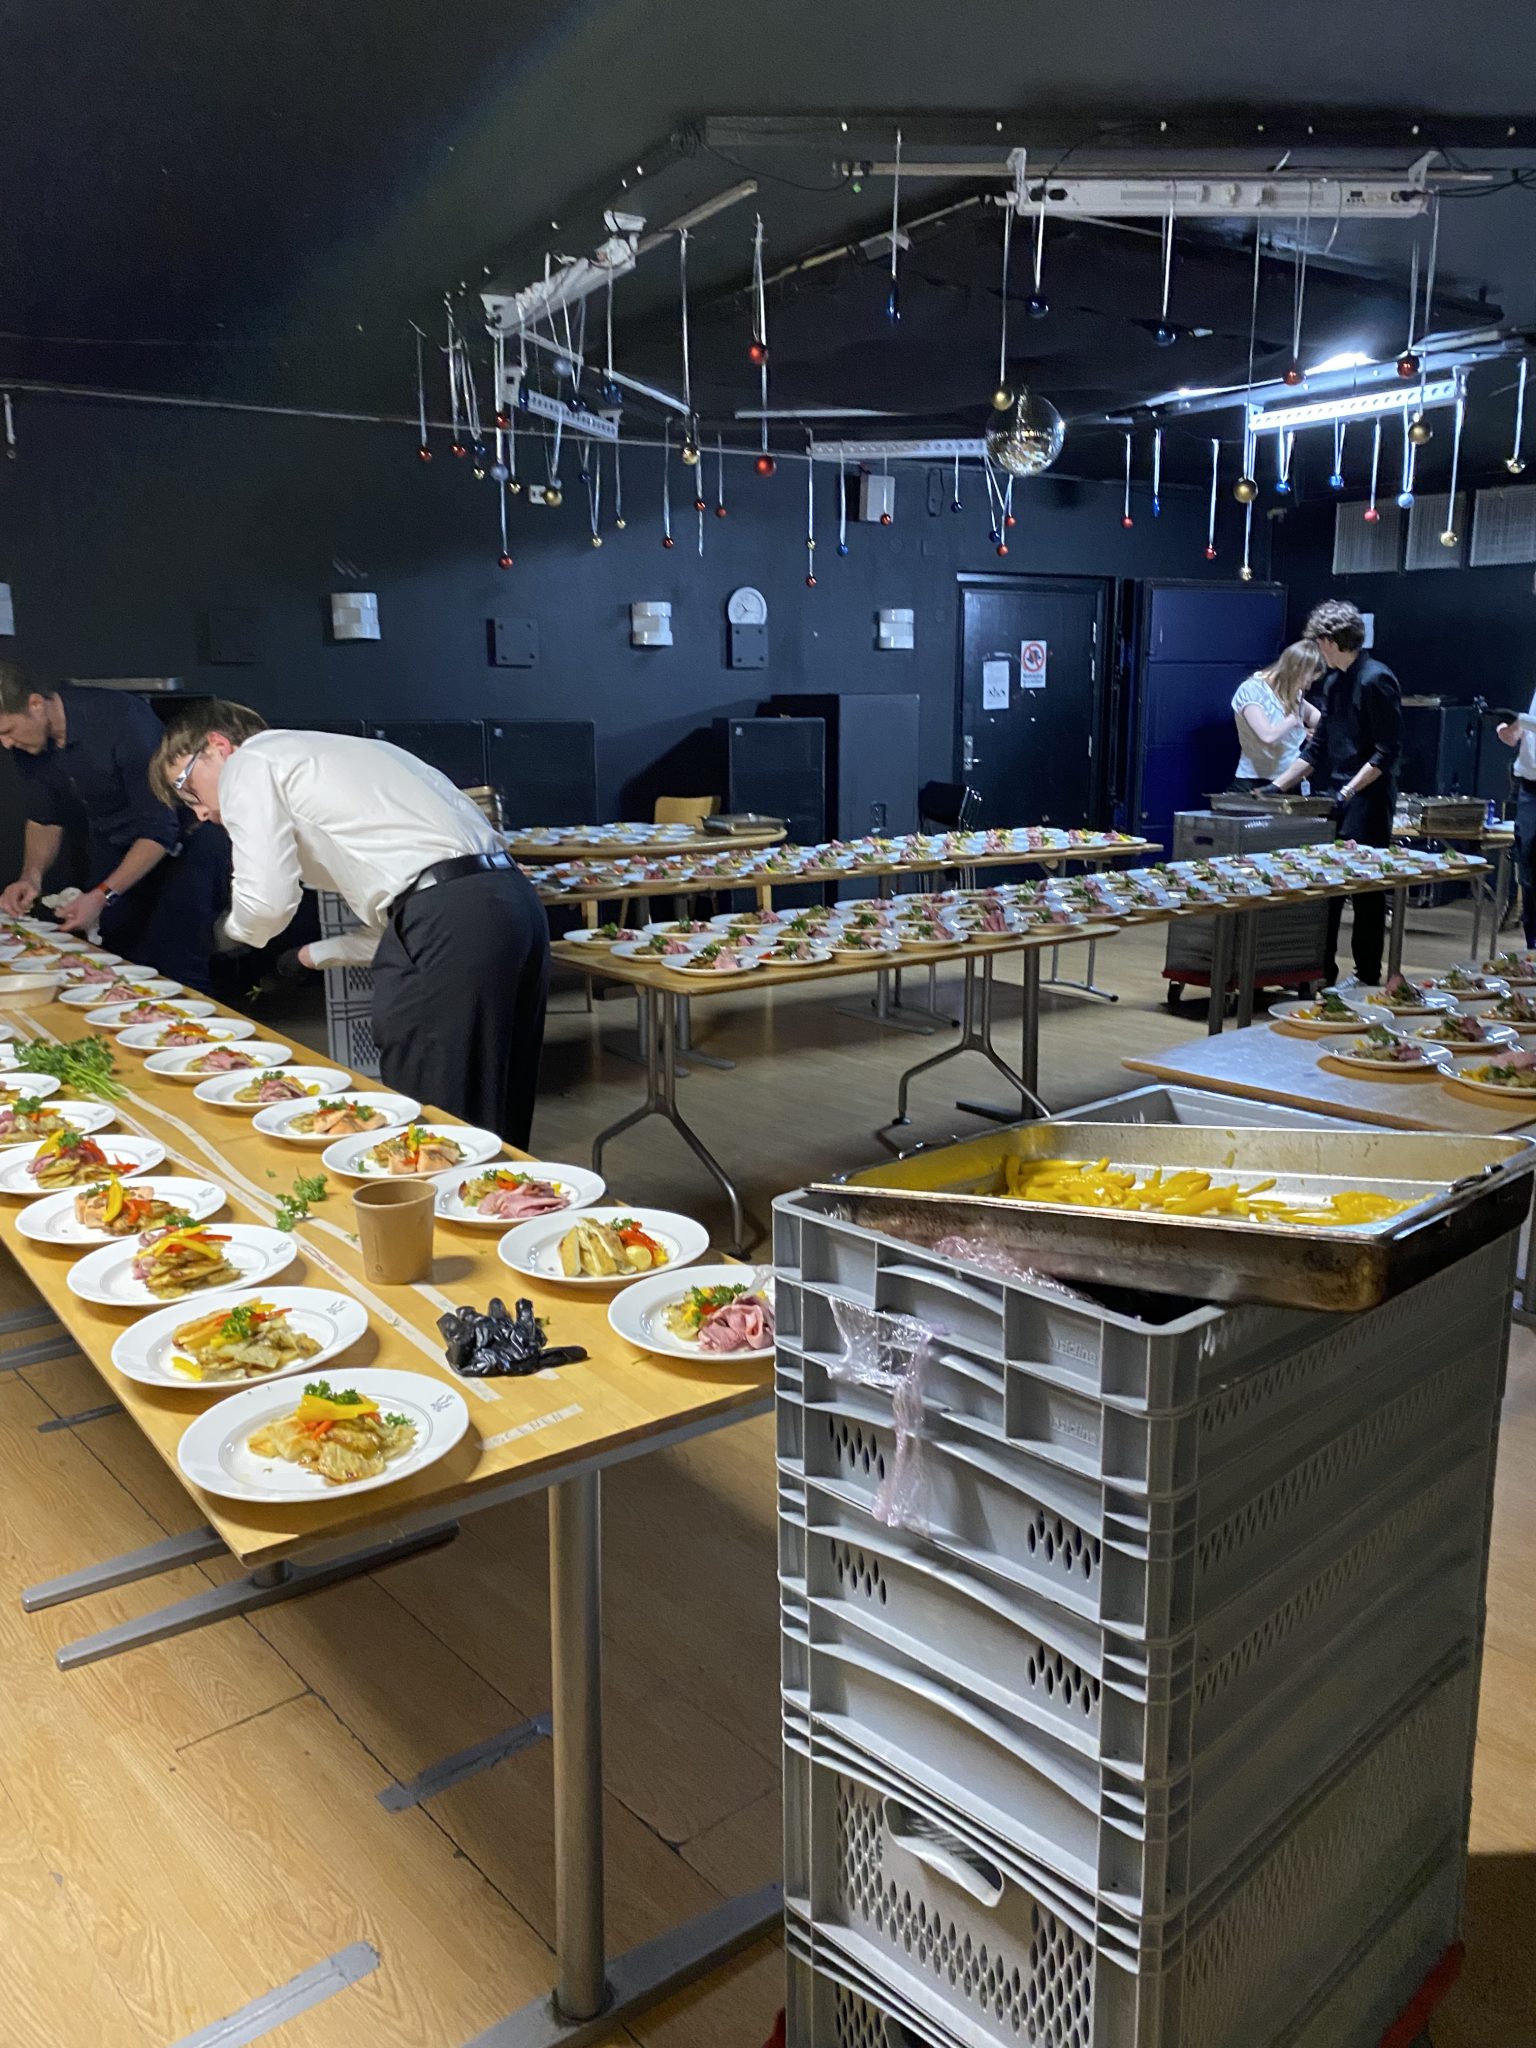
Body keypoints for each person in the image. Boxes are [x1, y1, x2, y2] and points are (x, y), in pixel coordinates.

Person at [149, 702, 549, 1145]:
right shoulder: (344, 756)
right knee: (497, 1108)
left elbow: (266, 905)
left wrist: (223, 937)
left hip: (450, 915)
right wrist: (309, 956)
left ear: (218, 746)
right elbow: (406, 921)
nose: (199, 812)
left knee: (435, 1120)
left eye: (187, 788)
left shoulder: (250, 762)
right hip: (511, 904)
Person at [0, 663, 229, 990]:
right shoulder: (29, 744)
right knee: (114, 952)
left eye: (7, 730)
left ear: (36, 704)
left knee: (176, 959)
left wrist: (102, 895)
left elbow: (159, 828)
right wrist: (30, 876)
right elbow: (46, 815)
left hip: (184, 842)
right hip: (116, 841)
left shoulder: (121, 721)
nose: (6, 743)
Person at [1263, 598, 1402, 987]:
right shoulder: (1335, 682)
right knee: (1327, 888)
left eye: (1318, 642)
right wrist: (1276, 787)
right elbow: (1317, 748)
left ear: (1329, 640)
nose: (1317, 649)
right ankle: (1319, 972)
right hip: (1339, 793)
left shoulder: (1376, 679)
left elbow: (1387, 752)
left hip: (1369, 799)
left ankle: (1367, 974)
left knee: (1366, 891)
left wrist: (1349, 791)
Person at [1230, 640, 1325, 788]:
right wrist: (1294, 719)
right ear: (1296, 671)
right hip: (1254, 781)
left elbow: (1317, 718)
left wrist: (1315, 732)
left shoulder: (1292, 693)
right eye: (1307, 681)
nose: (1308, 687)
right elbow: (1268, 736)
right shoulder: (1252, 690)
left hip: (1287, 781)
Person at [1494, 694, 1536, 947]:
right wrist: (1513, 730)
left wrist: (1521, 720)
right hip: (1529, 786)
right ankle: (1532, 947)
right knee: (1528, 866)